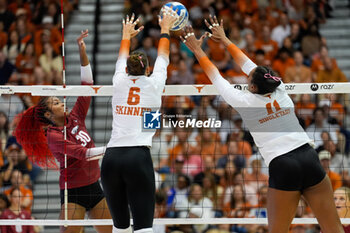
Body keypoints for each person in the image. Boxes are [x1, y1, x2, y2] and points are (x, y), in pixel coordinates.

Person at [180, 15, 344, 233]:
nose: (247, 80)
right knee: (334, 229)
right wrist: (225, 40)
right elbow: (250, 67)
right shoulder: (280, 88)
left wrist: (198, 50)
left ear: (254, 87)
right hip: (308, 156)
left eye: (249, 81)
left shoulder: (245, 101)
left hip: (283, 164)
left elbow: (216, 77)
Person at [14, 30, 112, 233]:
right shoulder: (54, 136)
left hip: (94, 185)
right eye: (57, 103)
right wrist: (115, 147)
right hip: (72, 192)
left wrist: (81, 51)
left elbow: (88, 86)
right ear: (49, 115)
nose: (63, 102)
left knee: (112, 231)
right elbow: (83, 154)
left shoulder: (75, 116)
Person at [100, 11, 177, 233]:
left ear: (126, 69)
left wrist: (126, 34)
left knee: (120, 228)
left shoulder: (119, 79)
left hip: (111, 158)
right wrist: (165, 29)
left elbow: (122, 56)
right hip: (137, 157)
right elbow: (164, 54)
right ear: (148, 69)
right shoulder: (155, 83)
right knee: (143, 228)